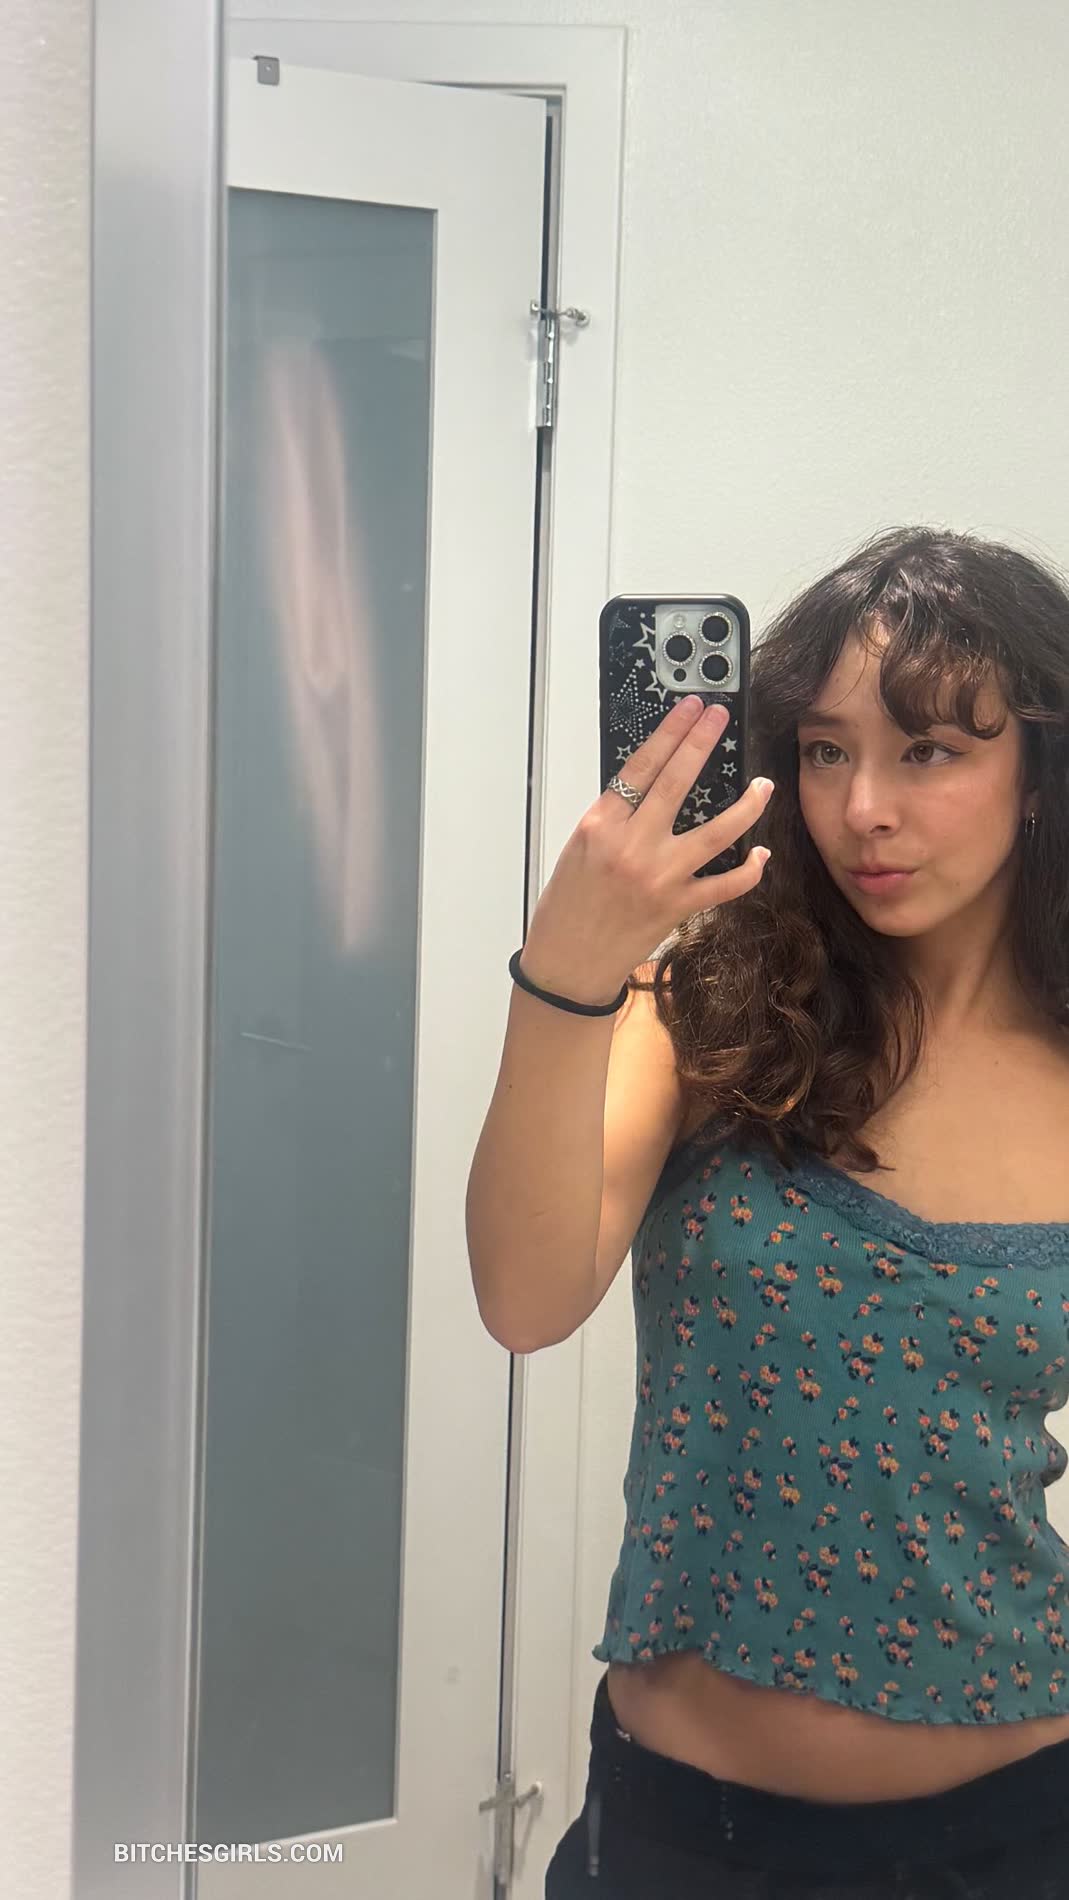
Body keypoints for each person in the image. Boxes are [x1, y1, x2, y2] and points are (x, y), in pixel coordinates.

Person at [466, 527, 1069, 1899]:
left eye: (929, 751)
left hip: (1018, 1832)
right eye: (822, 751)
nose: (863, 808)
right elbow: (523, 1298)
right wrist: (569, 972)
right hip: (681, 1834)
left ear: (1036, 776)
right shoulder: (711, 1014)